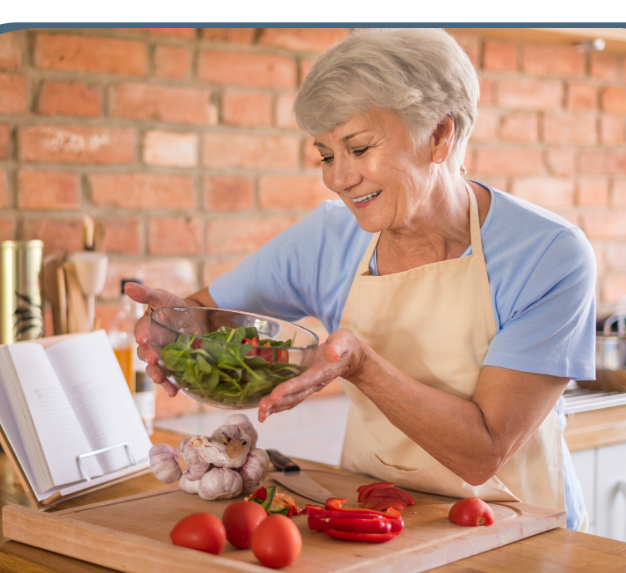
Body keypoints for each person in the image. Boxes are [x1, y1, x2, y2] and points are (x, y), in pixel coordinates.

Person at [127, 29, 593, 531]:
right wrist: (173, 331)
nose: (339, 179)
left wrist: (362, 365)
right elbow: (206, 320)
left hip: (519, 531)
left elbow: (484, 452)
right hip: (373, 519)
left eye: (359, 148)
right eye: (327, 155)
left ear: (439, 136)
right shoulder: (326, 240)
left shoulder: (547, 255)